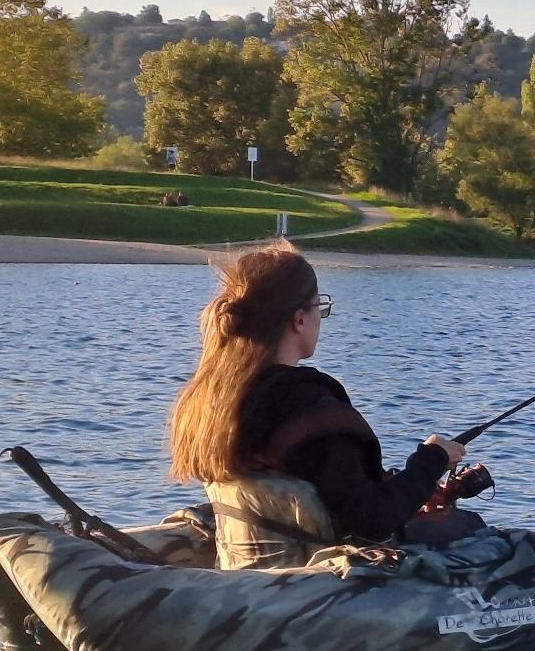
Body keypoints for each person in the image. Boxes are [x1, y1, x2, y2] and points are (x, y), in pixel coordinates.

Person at [168, 242, 465, 567]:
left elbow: (332, 488)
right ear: (299, 319)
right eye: (318, 307)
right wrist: (431, 461)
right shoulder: (310, 409)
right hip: (317, 587)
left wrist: (407, 485)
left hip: (245, 575)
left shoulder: (208, 398)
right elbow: (371, 521)